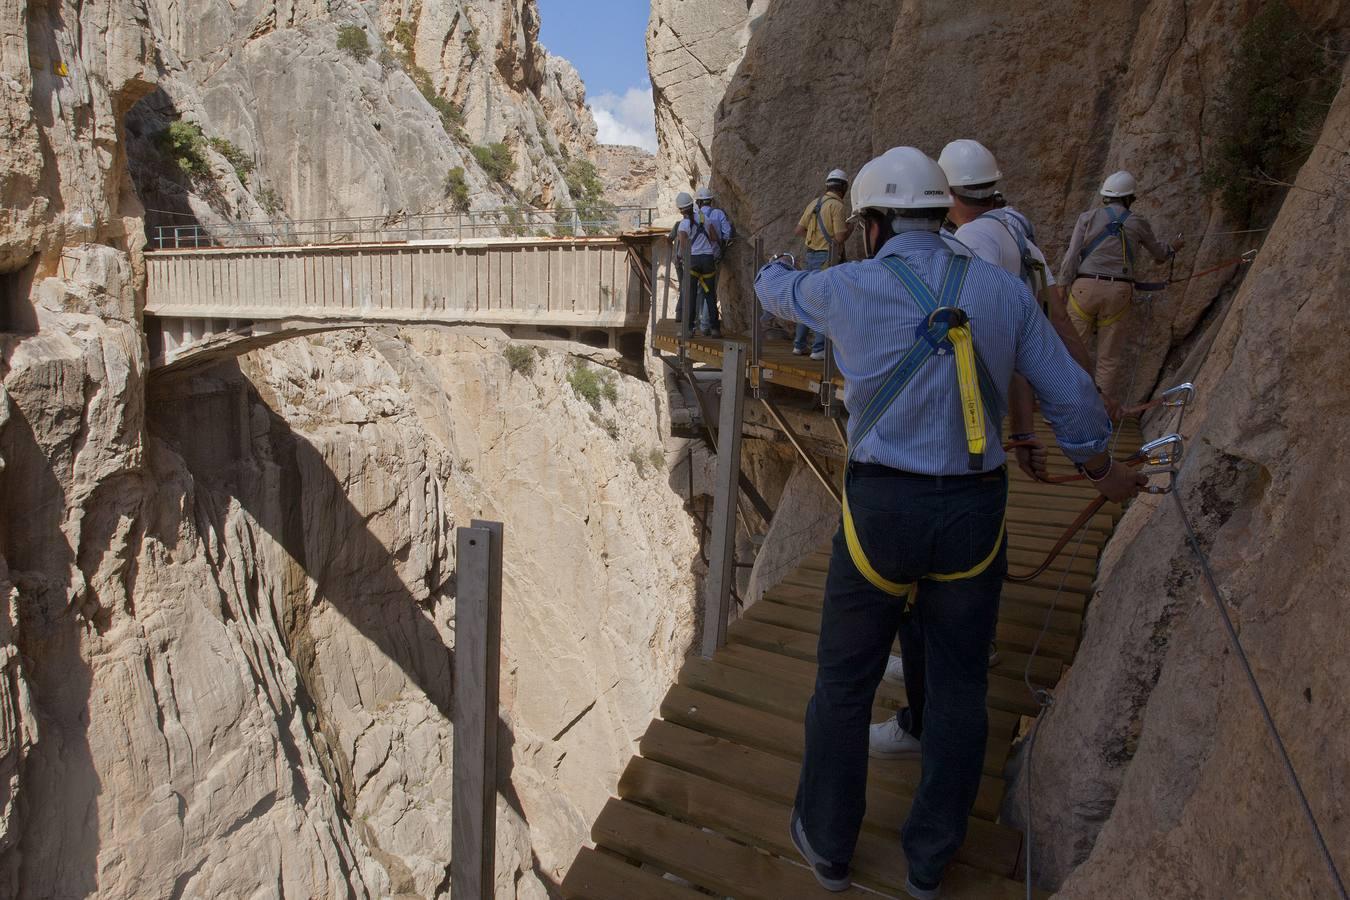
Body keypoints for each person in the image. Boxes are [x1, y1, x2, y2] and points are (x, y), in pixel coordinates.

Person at [754, 146, 1143, 898]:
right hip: (973, 513)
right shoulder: (1002, 293)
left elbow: (780, 293)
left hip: (881, 514)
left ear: (870, 225)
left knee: (843, 683)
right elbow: (1072, 399)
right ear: (942, 212)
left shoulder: (849, 287)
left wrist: (772, 267)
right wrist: (1107, 474)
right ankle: (930, 862)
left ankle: (829, 847)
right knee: (961, 687)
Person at [1059, 170, 1183, 403]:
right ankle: (1099, 410)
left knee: (1073, 351)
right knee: (1109, 357)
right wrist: (1174, 247)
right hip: (1119, 291)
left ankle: (1067, 407)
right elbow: (1159, 254)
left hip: (1084, 288)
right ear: (1129, 198)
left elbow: (1072, 254)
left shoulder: (1087, 218)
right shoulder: (1138, 223)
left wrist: (1062, 285)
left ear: (1106, 196)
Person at [791, 169, 853, 358]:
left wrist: (814, 238)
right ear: (843, 187)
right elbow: (840, 237)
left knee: (807, 299)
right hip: (828, 257)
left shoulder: (814, 204)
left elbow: (799, 230)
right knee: (824, 301)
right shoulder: (837, 206)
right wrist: (851, 227)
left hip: (811, 256)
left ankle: (799, 345)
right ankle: (818, 348)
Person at [673, 188, 725, 336]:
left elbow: (683, 247)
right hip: (708, 259)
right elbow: (714, 237)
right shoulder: (704, 218)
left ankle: (689, 329)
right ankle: (715, 328)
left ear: (681, 210)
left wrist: (680, 258)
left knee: (691, 295)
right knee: (710, 294)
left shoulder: (683, 225)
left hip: (693, 261)